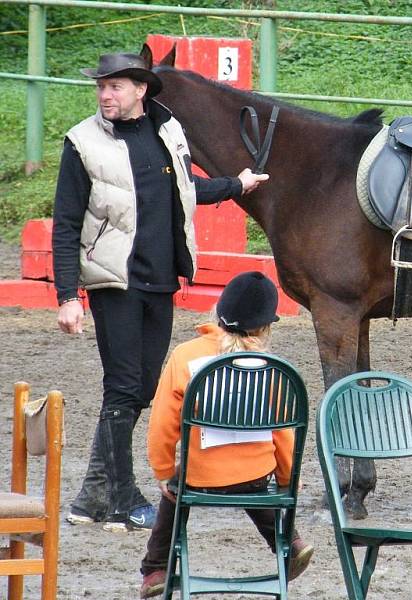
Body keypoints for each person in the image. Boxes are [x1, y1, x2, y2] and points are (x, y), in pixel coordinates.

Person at [53, 50, 270, 532]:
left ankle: (91, 497)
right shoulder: (83, 143)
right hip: (115, 281)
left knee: (140, 390)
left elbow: (183, 190)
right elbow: (66, 223)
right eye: (101, 87)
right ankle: (123, 498)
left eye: (115, 87)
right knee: (124, 387)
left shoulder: (166, 130)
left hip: (161, 280)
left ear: (140, 90)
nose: (106, 95)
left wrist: (236, 184)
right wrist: (67, 296)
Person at [139, 271, 313, 598]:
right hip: (255, 476)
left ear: (218, 311)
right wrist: (289, 477)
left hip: (199, 477)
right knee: (254, 481)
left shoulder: (185, 356)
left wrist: (163, 471)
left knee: (175, 488)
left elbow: (163, 422)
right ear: (264, 327)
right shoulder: (272, 366)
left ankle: (156, 568)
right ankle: (289, 542)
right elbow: (282, 433)